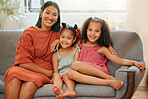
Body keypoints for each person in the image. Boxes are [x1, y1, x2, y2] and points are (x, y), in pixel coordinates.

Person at [59, 17, 146, 98]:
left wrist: (133, 62)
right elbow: (69, 34)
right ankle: (108, 82)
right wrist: (56, 40)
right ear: (85, 30)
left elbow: (117, 60)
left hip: (99, 73)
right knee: (70, 73)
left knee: (74, 65)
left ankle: (109, 78)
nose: (92, 33)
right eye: (90, 30)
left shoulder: (102, 49)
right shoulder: (80, 44)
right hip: (84, 75)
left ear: (102, 33)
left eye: (97, 31)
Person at [4, 1, 62, 99]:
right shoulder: (29, 33)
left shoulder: (59, 32)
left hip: (42, 73)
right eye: (47, 12)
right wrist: (48, 73)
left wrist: (59, 40)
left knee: (31, 83)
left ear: (57, 18)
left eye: (54, 14)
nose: (50, 17)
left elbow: (78, 33)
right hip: (27, 68)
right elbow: (23, 63)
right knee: (13, 75)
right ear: (41, 13)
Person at [52, 23, 79, 98]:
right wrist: (58, 75)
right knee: (55, 75)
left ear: (74, 40)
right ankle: (58, 88)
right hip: (60, 74)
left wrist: (67, 74)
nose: (65, 40)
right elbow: (56, 70)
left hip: (71, 73)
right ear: (59, 37)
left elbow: (75, 65)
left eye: (69, 38)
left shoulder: (75, 51)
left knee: (68, 75)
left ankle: (70, 89)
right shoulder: (55, 55)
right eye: (63, 37)